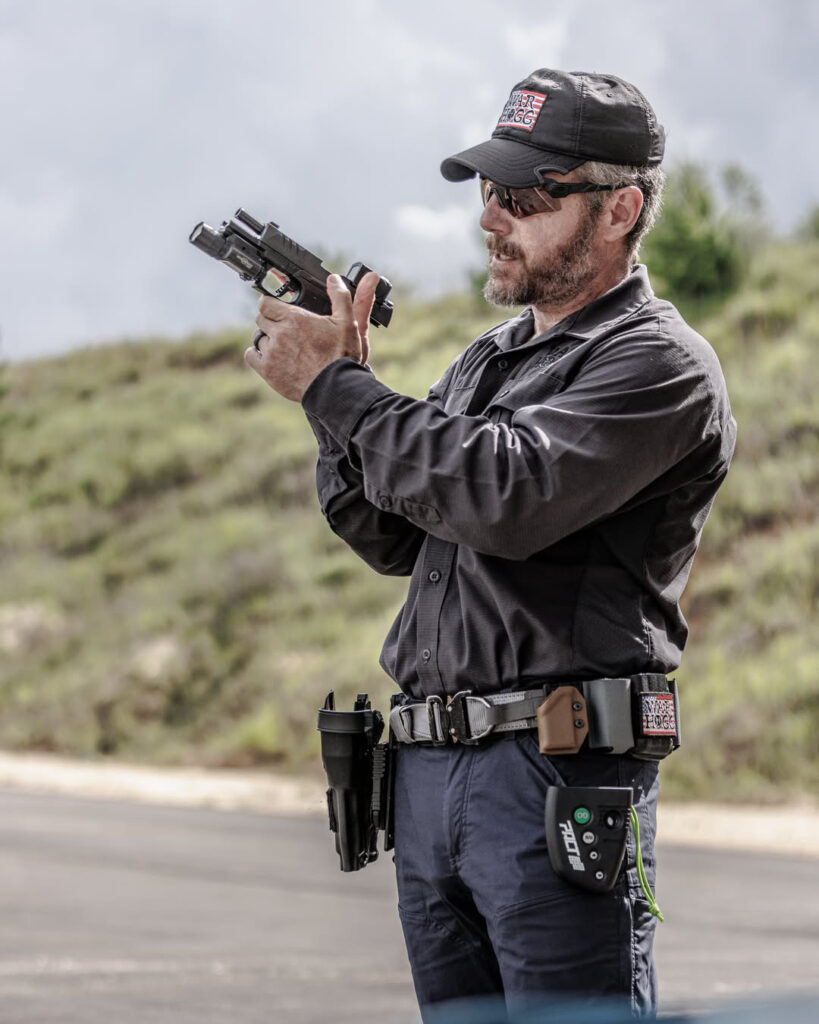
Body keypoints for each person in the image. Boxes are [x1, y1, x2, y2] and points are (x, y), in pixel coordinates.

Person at [245, 68, 736, 1019]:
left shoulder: (657, 362)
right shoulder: (489, 357)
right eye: (485, 193)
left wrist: (334, 391)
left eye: (523, 198)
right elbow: (393, 533)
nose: (490, 218)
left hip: (553, 781)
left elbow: (502, 494)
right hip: (433, 780)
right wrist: (338, 390)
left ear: (619, 208)